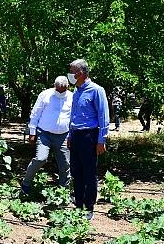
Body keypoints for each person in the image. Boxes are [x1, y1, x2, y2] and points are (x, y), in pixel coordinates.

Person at [67, 59, 110, 221]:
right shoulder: (77, 91)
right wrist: (71, 135)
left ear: (80, 73)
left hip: (89, 136)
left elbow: (103, 117)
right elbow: (73, 115)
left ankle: (89, 207)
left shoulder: (96, 90)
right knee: (76, 172)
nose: (70, 75)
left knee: (89, 172)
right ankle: (79, 204)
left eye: (72, 72)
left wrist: (101, 140)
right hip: (76, 135)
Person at [21, 76, 73, 196]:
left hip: (63, 136)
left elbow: (73, 117)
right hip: (45, 134)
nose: (60, 92)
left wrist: (71, 135)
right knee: (41, 158)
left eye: (63, 90)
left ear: (68, 87)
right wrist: (32, 133)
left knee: (65, 163)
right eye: (58, 90)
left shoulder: (72, 97)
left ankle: (64, 192)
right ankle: (26, 184)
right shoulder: (45, 95)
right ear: (54, 86)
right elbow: (35, 114)